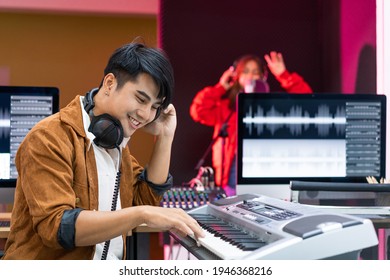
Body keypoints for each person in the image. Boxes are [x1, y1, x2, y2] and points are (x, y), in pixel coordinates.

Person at [2, 42, 204, 260]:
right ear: (110, 83)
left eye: (155, 107)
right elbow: (56, 226)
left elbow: (144, 199)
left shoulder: (115, 143)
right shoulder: (48, 137)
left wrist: (165, 136)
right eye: (141, 99)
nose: (146, 114)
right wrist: (141, 214)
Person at [190, 51, 313, 196]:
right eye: (245, 72)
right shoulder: (227, 108)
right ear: (237, 76)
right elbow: (198, 110)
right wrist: (221, 86)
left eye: (255, 72)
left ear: (263, 77)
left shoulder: (273, 106)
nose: (250, 76)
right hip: (233, 171)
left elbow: (306, 101)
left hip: (267, 167)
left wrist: (283, 74)